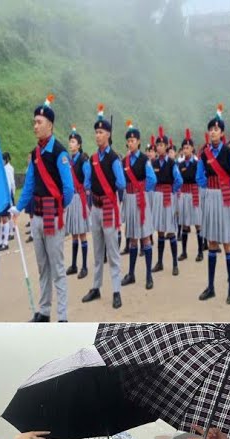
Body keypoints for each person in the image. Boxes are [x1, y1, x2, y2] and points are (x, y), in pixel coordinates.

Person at [18, 94, 76, 324]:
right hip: (37, 217)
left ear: (49, 125)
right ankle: (43, 311)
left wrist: (58, 209)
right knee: (42, 267)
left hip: (53, 217)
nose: (35, 126)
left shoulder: (59, 152)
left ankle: (62, 317)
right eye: (34, 122)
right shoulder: (34, 154)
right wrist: (17, 208)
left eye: (39, 122)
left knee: (58, 268)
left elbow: (69, 189)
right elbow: (29, 185)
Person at [81, 104, 127, 310]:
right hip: (95, 208)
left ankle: (116, 290)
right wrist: (92, 192)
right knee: (97, 250)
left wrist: (108, 195)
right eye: (96, 132)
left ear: (108, 134)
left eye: (101, 132)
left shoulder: (113, 158)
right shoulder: (92, 159)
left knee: (113, 251)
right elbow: (87, 182)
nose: (97, 135)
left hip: (108, 207)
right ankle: (96, 287)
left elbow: (121, 183)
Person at [196, 105, 230, 304]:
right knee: (212, 243)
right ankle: (211, 287)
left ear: (222, 133)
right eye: (211, 129)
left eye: (217, 129)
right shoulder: (204, 154)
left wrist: (227, 187)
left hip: (225, 199)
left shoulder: (228, 152)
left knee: (227, 243)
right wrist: (209, 188)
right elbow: (199, 176)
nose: (213, 132)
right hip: (210, 198)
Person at [120, 119, 156, 292]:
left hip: (141, 200)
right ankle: (131, 274)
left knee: (145, 238)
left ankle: (149, 275)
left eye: (133, 140)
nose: (130, 143)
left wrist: (142, 190)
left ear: (139, 142)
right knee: (133, 237)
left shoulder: (144, 159)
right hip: (130, 199)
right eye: (128, 140)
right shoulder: (124, 161)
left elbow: (152, 179)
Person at [150, 127, 183, 277]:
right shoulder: (153, 163)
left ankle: (175, 263)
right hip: (157, 197)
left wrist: (171, 191)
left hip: (168, 197)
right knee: (160, 231)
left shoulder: (171, 163)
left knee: (171, 231)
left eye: (162, 145)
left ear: (167, 147)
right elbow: (150, 181)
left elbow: (179, 180)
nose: (159, 147)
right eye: (157, 145)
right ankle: (160, 262)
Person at [64, 127, 90, 279]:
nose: (70, 144)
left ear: (79, 145)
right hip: (71, 199)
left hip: (79, 198)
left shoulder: (83, 160)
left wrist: (84, 189)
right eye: (70, 141)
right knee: (74, 233)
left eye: (73, 142)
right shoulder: (68, 159)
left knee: (81, 234)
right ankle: (74, 264)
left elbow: (88, 177)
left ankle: (85, 266)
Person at [177, 130, 202, 264]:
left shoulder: (197, 164)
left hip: (194, 194)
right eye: (184, 148)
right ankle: (184, 252)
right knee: (185, 224)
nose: (186, 150)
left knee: (198, 224)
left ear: (192, 148)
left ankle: (200, 251)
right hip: (184, 195)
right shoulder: (180, 165)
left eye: (188, 147)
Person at [0, 151, 17, 252]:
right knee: (4, 217)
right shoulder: (3, 168)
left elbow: (12, 182)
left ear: (5, 160)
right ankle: (8, 233)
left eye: (2, 159)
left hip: (7, 194)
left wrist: (12, 195)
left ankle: (6, 240)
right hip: (2, 194)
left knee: (6, 216)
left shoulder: (9, 169)